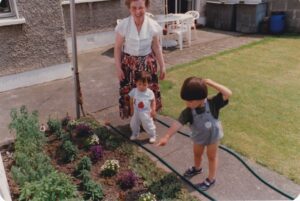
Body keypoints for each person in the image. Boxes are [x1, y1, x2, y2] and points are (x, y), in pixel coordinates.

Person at [157, 77, 232, 191]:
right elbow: (178, 123)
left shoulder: (213, 103)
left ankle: (211, 179)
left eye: (190, 101)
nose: (187, 103)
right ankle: (197, 168)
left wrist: (211, 83)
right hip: (199, 138)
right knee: (197, 154)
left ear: (202, 98)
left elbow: (228, 93)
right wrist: (167, 136)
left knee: (211, 157)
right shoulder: (188, 111)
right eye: (186, 101)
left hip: (213, 137)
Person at [114, 0, 166, 119]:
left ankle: (147, 118)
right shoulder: (123, 25)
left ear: (146, 7)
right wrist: (118, 68)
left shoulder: (153, 25)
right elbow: (117, 48)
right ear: (129, 8)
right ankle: (134, 120)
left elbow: (156, 47)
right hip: (128, 65)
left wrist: (163, 66)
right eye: (134, 8)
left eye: (141, 8)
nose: (137, 11)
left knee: (147, 93)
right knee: (130, 95)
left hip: (147, 65)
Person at [129, 71, 156, 143]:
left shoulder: (149, 92)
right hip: (136, 111)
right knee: (133, 124)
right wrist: (131, 109)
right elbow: (131, 100)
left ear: (148, 84)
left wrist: (153, 110)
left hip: (146, 112)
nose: (141, 86)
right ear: (136, 83)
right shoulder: (134, 91)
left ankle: (152, 135)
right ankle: (135, 133)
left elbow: (153, 101)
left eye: (144, 85)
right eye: (139, 84)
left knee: (147, 124)